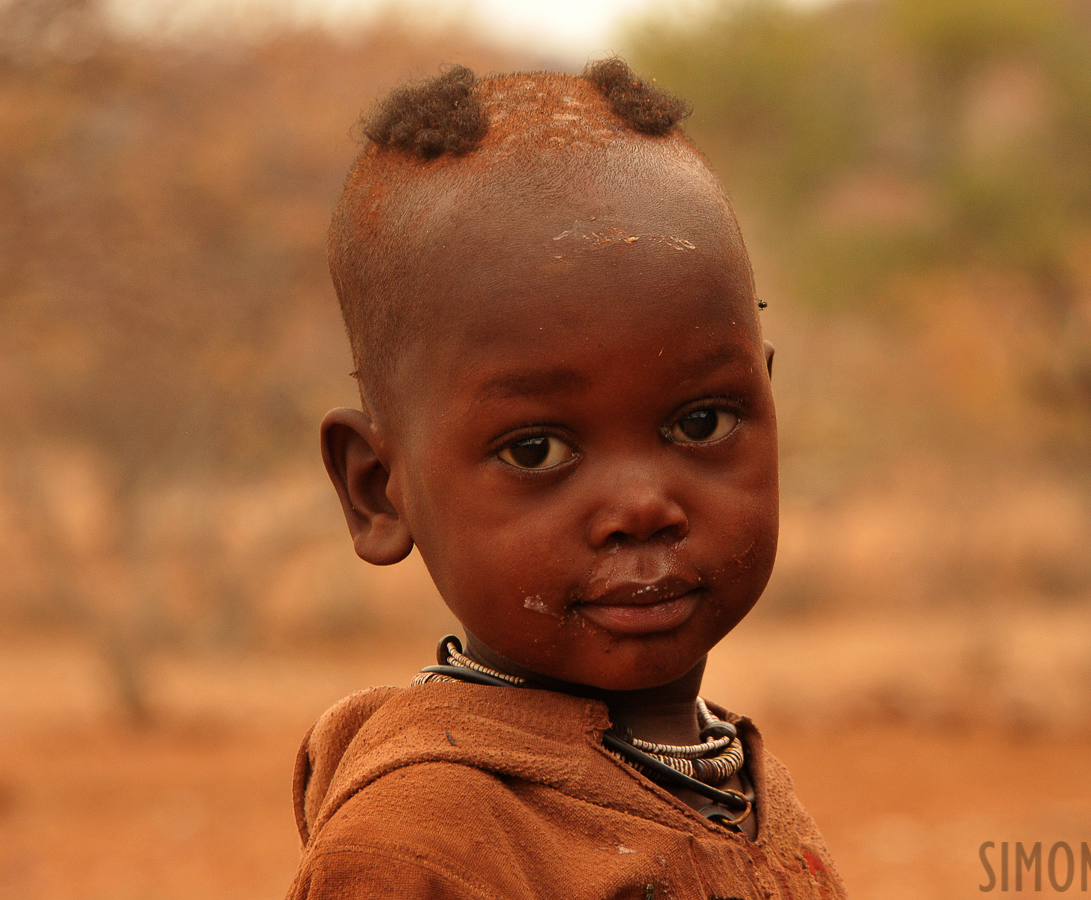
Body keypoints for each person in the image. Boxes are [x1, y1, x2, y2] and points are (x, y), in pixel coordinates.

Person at [285, 58, 847, 900]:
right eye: (535, 450)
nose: (641, 507)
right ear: (375, 488)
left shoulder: (730, 783)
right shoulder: (423, 847)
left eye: (701, 423)